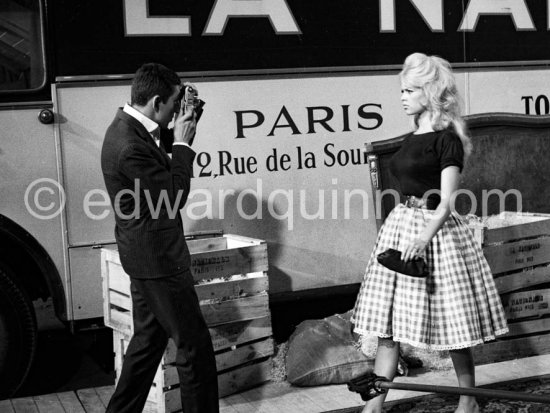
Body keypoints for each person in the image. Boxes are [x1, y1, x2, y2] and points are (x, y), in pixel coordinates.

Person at [351, 53, 508, 413]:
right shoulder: (411, 137)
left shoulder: (447, 139)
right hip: (400, 227)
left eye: (409, 90)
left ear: (430, 92)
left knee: (453, 327)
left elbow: (448, 201)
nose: (402, 97)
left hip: (435, 234)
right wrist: (408, 233)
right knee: (387, 327)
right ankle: (374, 406)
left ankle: (468, 401)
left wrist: (424, 238)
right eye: (401, 90)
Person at [101, 63, 218, 413]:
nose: (172, 114)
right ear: (155, 101)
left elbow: (157, 146)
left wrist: (185, 117)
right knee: (194, 350)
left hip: (143, 255)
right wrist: (183, 142)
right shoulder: (128, 146)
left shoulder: (130, 128)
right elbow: (172, 197)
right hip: (159, 260)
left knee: (147, 343)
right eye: (171, 106)